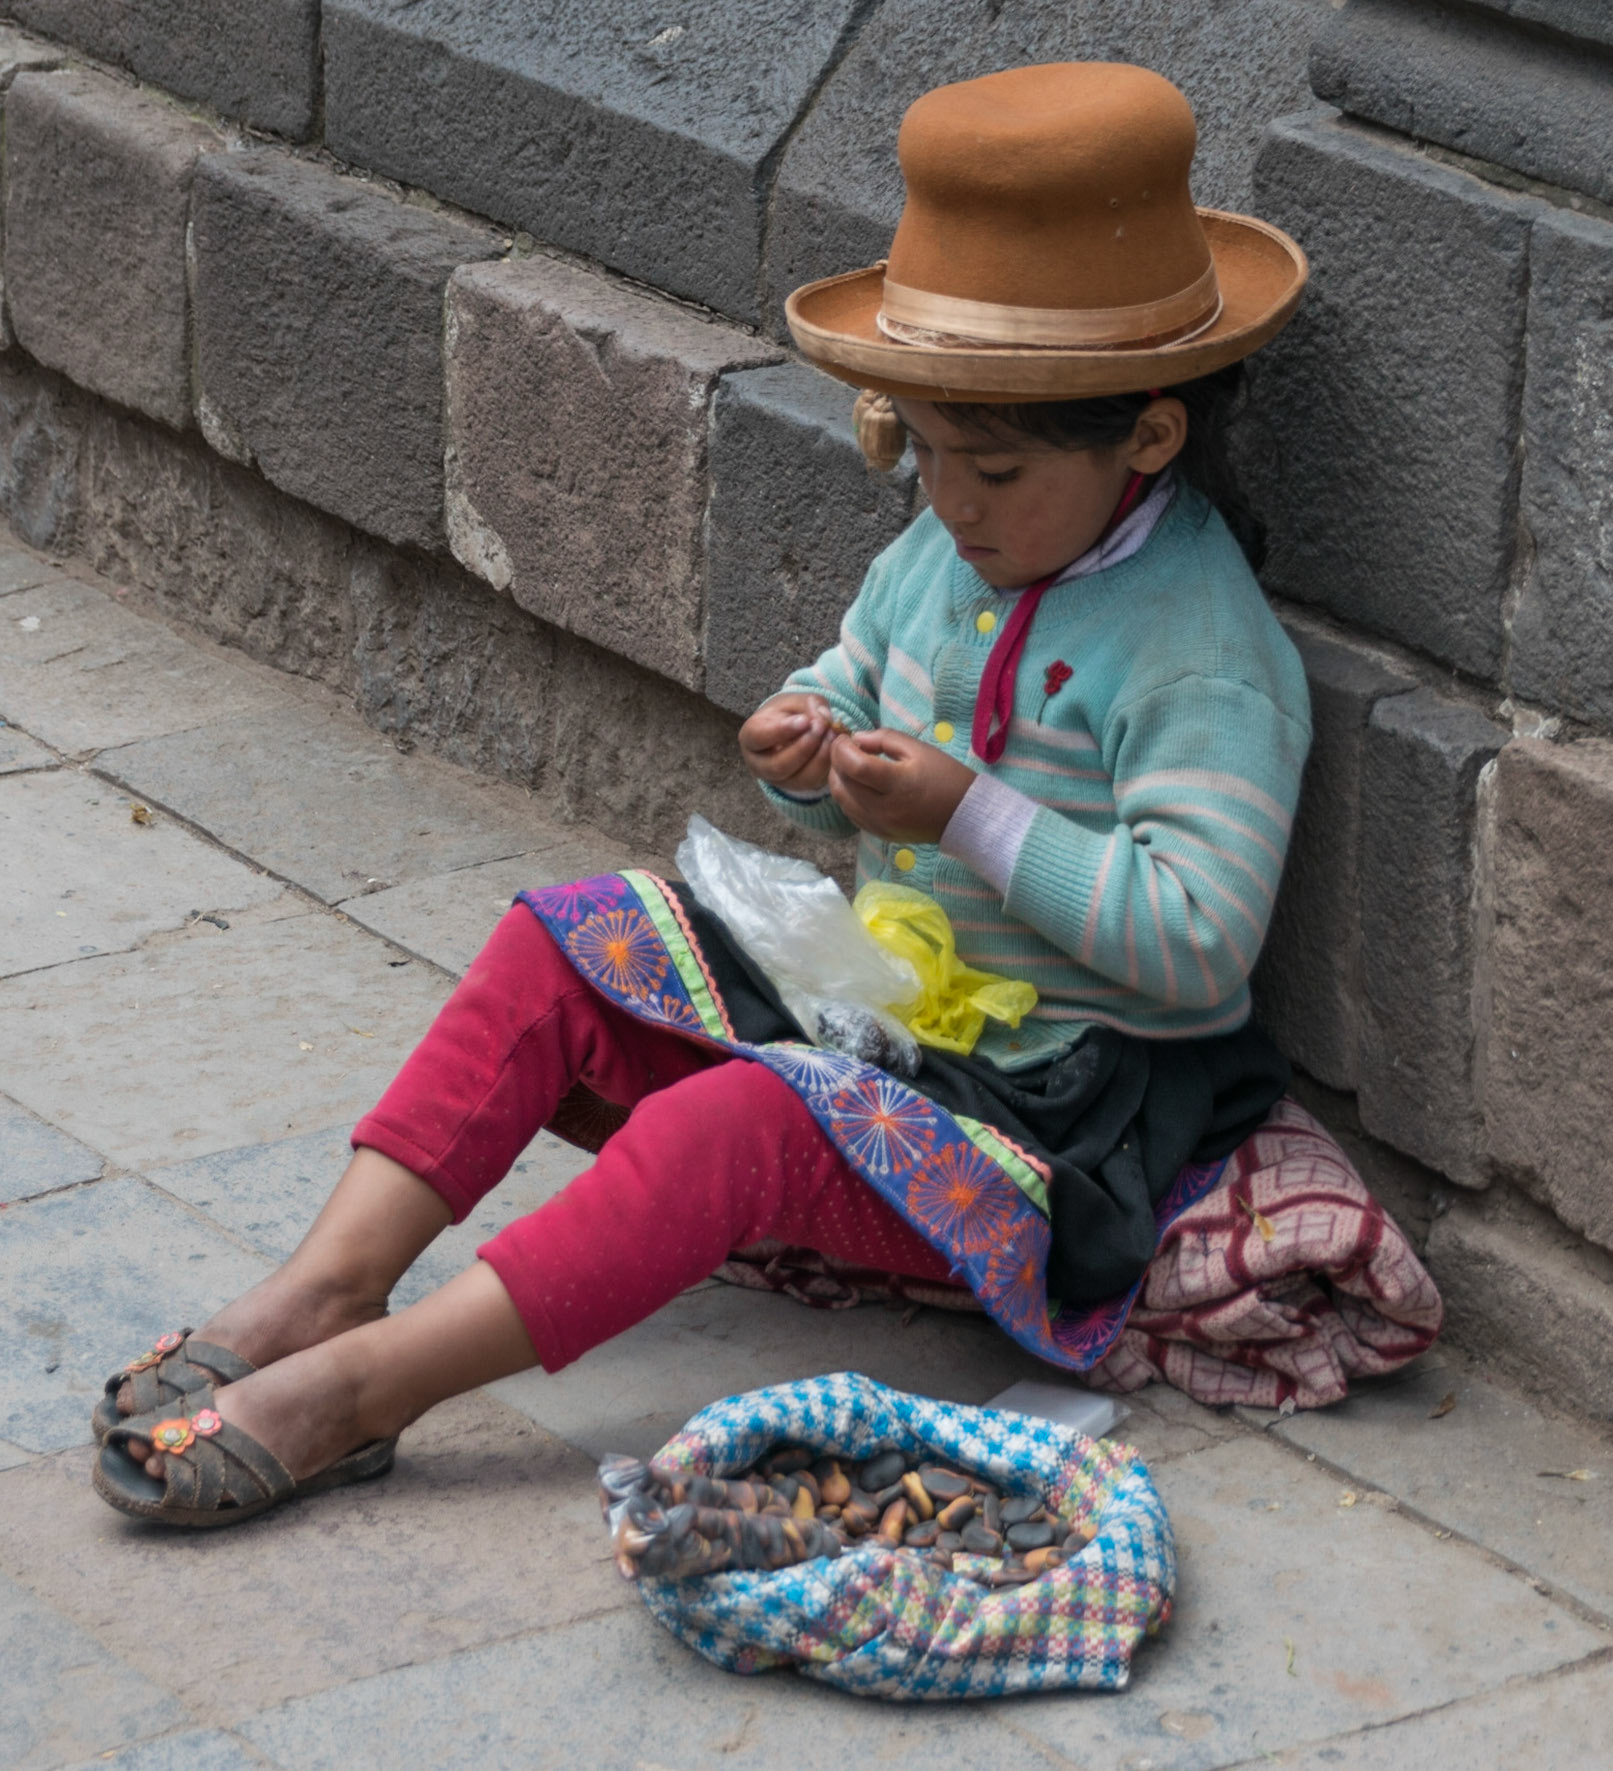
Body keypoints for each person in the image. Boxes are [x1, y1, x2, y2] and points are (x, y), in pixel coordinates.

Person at [92, 62, 1427, 1526]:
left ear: (1149, 440)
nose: (950, 504)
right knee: (559, 945)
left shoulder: (1202, 655)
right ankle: (322, 1289)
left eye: (991, 468)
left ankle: (363, 1392)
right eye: (921, 453)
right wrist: (810, 745)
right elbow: (860, 679)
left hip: (1063, 1108)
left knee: (734, 1128)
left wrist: (966, 815)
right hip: (891, 1007)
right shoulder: (949, 550)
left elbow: (1199, 939)